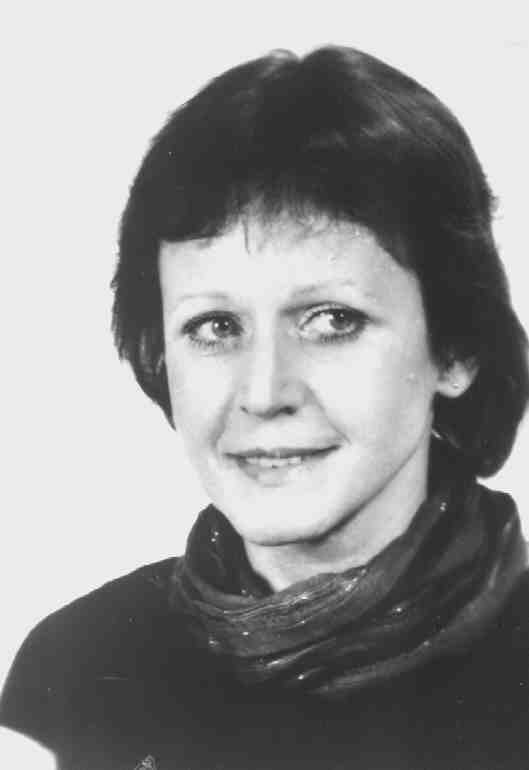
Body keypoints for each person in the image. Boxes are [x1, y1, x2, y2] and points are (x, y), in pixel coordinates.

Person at [1, 45, 528, 770]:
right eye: (215, 326)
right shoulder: (77, 672)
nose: (263, 392)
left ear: (456, 348)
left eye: (332, 320)